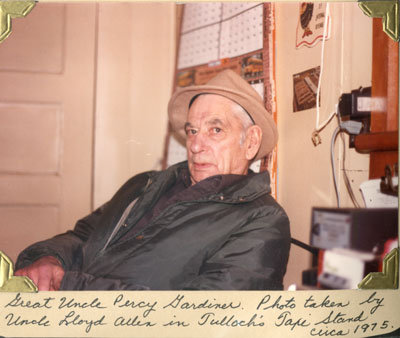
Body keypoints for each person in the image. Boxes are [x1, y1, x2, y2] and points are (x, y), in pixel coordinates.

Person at [15, 69, 290, 291]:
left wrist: (66, 283)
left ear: (251, 142)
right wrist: (48, 259)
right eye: (192, 131)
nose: (195, 145)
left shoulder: (261, 220)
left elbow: (201, 319)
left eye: (215, 130)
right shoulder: (144, 184)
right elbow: (83, 235)